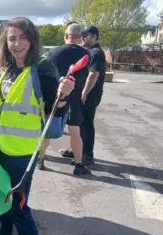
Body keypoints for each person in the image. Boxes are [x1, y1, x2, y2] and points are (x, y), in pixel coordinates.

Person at [0, 17, 74, 235]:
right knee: (1, 200)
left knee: (19, 210)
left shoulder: (42, 70)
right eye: (12, 39)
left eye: (22, 37)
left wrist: (64, 95)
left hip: (22, 154)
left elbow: (57, 108)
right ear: (5, 42)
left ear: (32, 40)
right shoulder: (6, 70)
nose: (17, 43)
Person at [43, 22, 91, 175]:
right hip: (75, 96)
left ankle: (40, 160)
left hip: (56, 95)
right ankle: (78, 164)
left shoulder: (54, 52)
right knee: (75, 131)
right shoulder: (86, 54)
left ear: (66, 36)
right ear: (79, 37)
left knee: (47, 129)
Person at [59, 26, 106, 166]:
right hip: (85, 93)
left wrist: (84, 92)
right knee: (78, 123)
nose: (83, 38)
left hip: (90, 95)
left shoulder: (96, 52)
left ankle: (87, 155)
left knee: (86, 124)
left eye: (87, 35)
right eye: (83, 35)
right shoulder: (89, 51)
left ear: (95, 37)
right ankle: (76, 149)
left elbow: (93, 74)